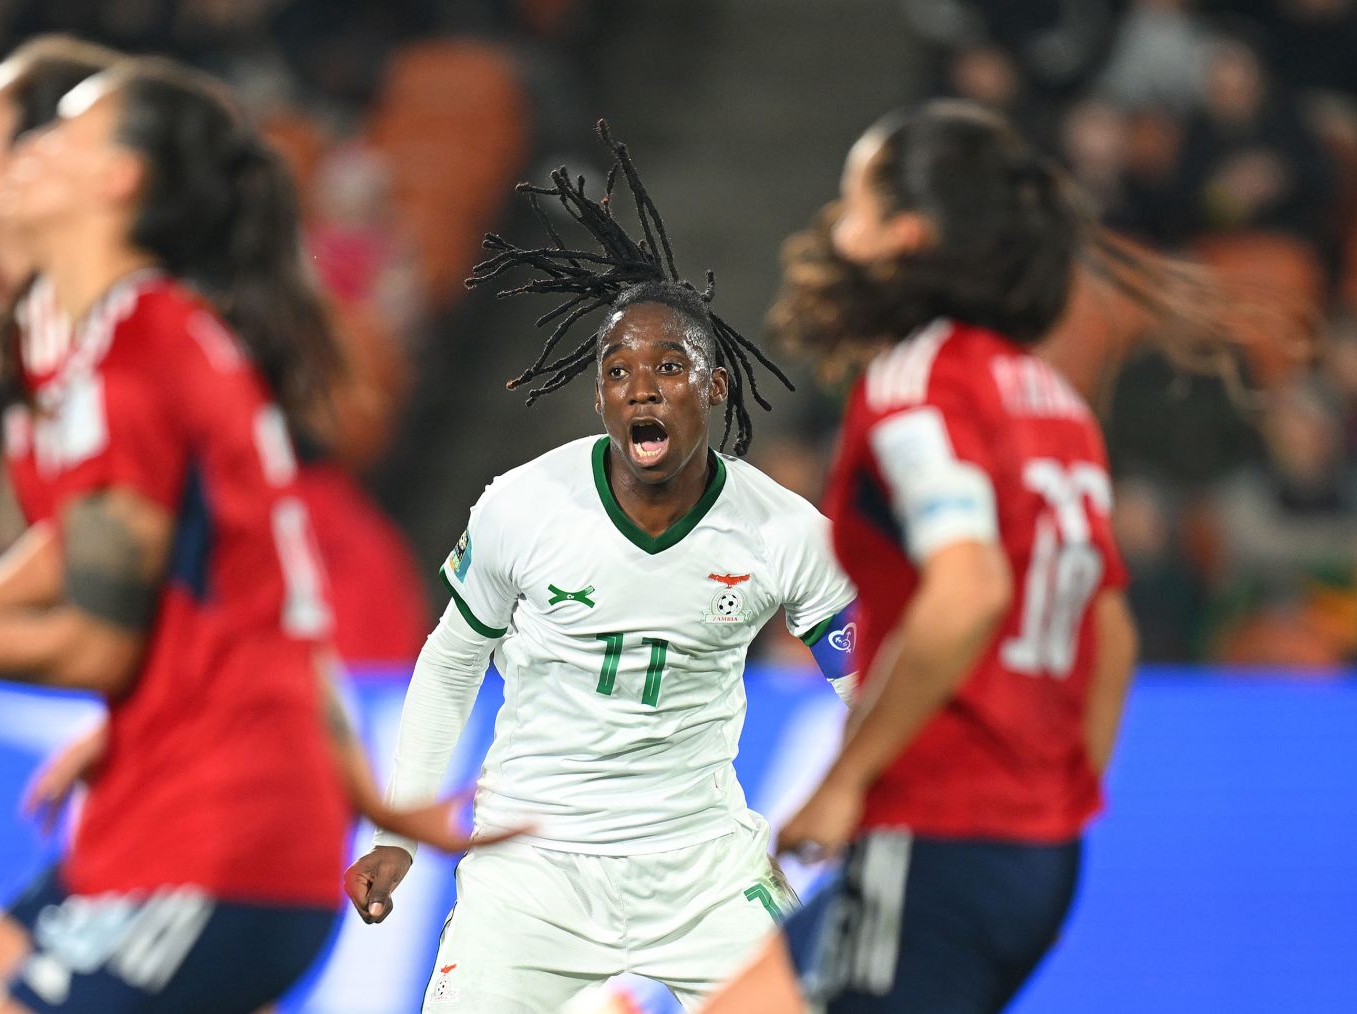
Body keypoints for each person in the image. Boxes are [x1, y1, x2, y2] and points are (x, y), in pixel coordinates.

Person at [0, 55, 494, 1014]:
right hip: (189, 810)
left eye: (32, 130)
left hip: (217, 831)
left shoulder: (129, 356)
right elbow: (159, 568)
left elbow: (107, 629)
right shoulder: (92, 340)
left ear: (116, 178)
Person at [700, 99, 1247, 1013]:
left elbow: (969, 587)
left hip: (938, 831)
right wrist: (1044, 806)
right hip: (1027, 849)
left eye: (856, 205)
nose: (837, 226)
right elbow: (1107, 633)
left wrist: (847, 781)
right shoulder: (1050, 399)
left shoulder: (918, 383)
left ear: (904, 239)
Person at [341, 123, 860, 1013]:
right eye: (618, 371)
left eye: (669, 366)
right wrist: (400, 826)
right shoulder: (524, 507)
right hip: (530, 871)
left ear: (717, 387)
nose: (642, 387)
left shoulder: (784, 533)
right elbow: (452, 663)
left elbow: (869, 684)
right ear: (600, 397)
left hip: (699, 868)